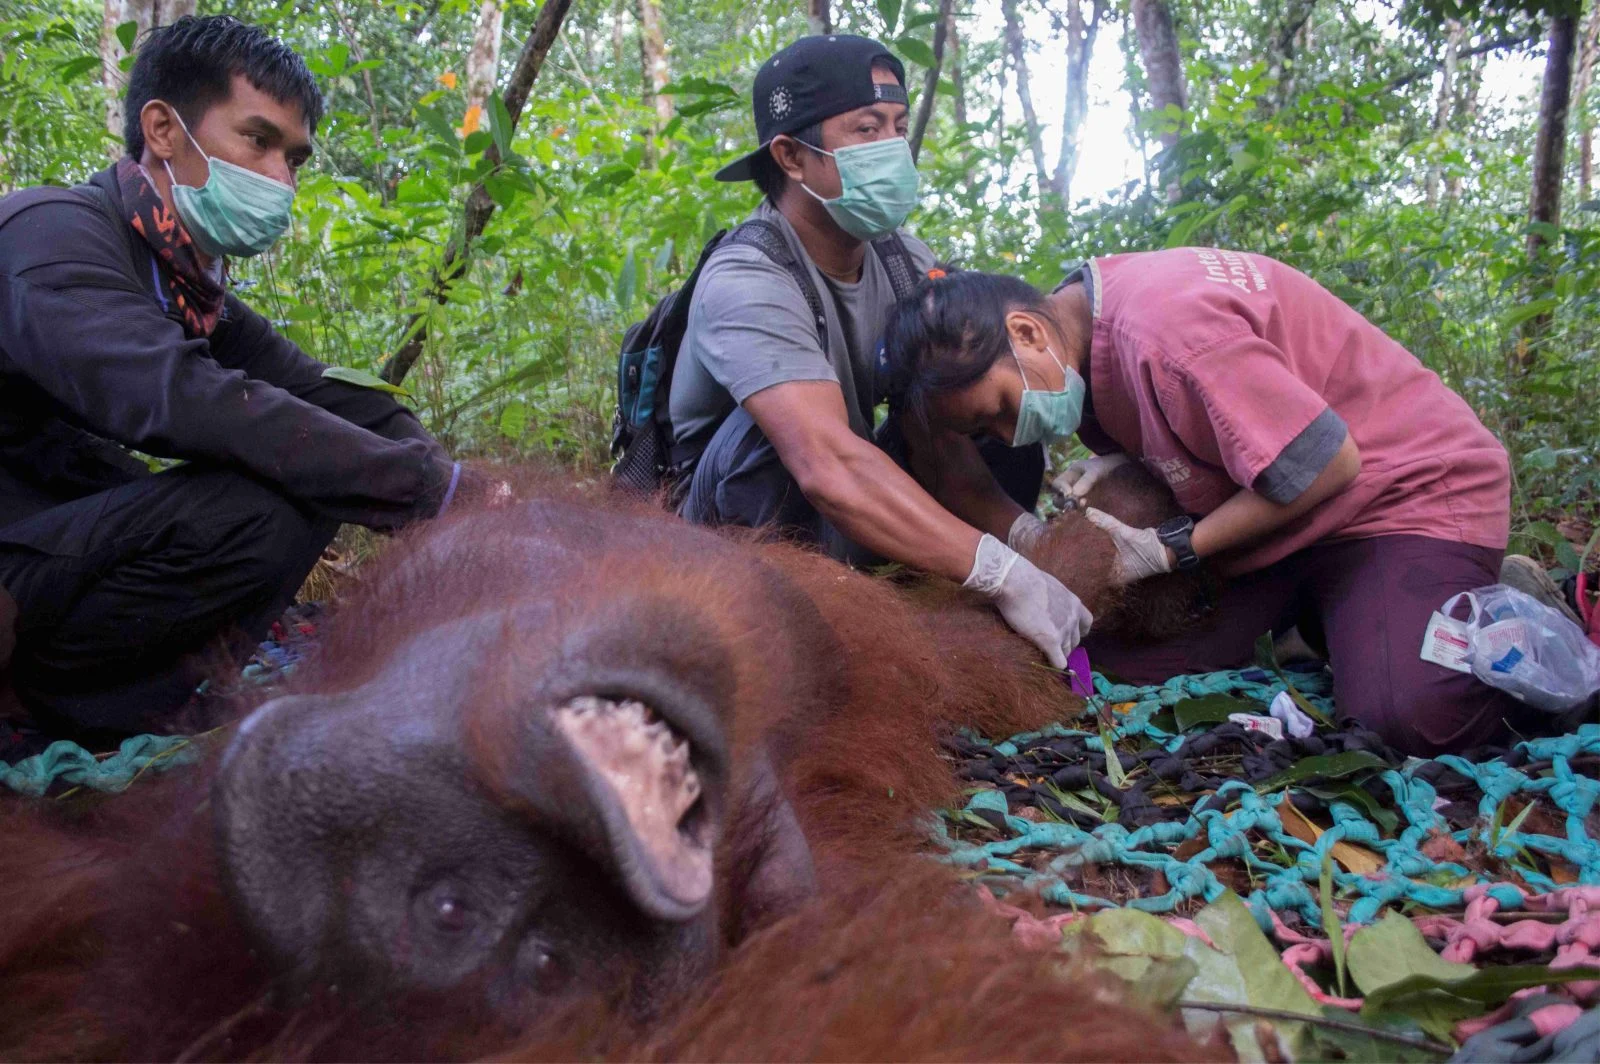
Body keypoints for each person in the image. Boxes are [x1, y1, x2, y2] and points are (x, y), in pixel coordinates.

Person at [0, 16, 460, 744]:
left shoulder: (186, 285)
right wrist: (425, 492)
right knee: (267, 499)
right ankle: (61, 706)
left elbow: (314, 389)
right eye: (257, 140)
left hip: (38, 539)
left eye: (295, 157)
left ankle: (125, 688)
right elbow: (186, 399)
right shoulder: (51, 235)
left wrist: (460, 481)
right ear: (162, 129)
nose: (280, 178)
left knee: (305, 462)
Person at [882, 252, 1528, 757]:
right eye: (983, 433)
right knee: (1111, 669)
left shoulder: (1168, 333)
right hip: (1279, 528)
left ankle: (1502, 617)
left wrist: (1172, 548)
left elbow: (1329, 464)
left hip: (1397, 500)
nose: (1005, 435)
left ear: (1024, 331)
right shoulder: (1081, 328)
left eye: (996, 410)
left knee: (1408, 720)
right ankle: (1323, 621)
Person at [668, 34, 1091, 671]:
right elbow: (825, 463)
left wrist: (1030, 547)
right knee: (777, 439)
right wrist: (1000, 575)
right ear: (790, 156)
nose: (893, 146)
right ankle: (793, 634)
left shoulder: (905, 261)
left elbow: (939, 426)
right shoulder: (747, 279)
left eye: (896, 126)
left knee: (981, 390)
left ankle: (908, 593)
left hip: (843, 516)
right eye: (866, 129)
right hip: (734, 538)